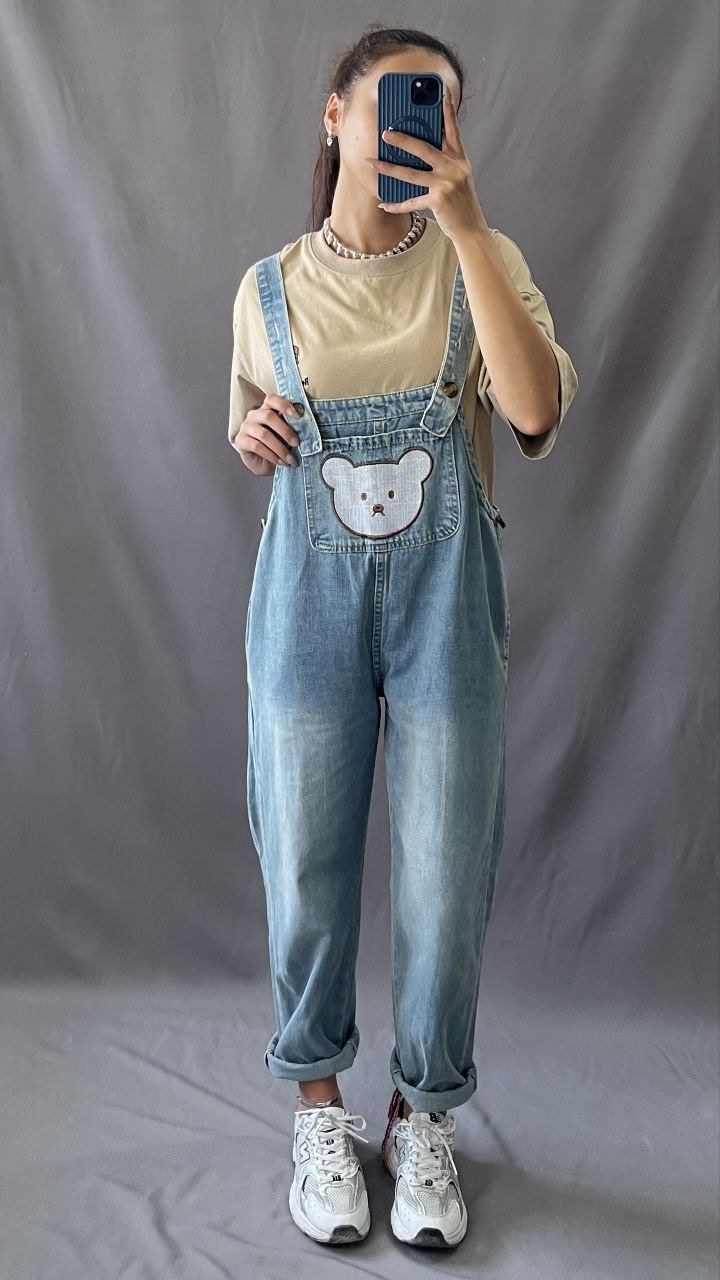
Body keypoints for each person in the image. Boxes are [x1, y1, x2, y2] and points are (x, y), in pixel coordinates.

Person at [228, 24, 578, 1250]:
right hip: (304, 604)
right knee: (304, 860)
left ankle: (424, 1114)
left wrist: (469, 228)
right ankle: (319, 1106)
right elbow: (253, 427)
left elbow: (532, 409)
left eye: (443, 108)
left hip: (445, 608)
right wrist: (252, 436)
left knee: (443, 865)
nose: (423, 127)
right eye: (397, 102)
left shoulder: (485, 260)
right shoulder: (266, 288)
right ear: (334, 116)